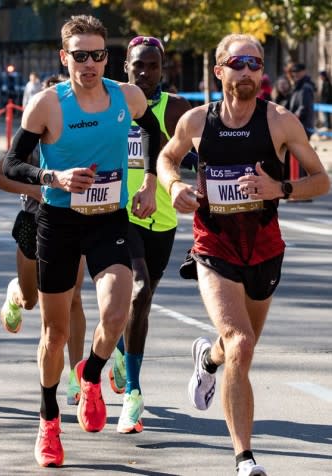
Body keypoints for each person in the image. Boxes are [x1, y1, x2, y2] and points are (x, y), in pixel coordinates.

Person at [157, 33, 330, 475]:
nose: (249, 72)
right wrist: (174, 186)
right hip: (214, 243)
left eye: (256, 64)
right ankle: (244, 457)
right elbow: (167, 159)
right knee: (241, 341)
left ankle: (207, 359)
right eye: (239, 64)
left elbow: (321, 179)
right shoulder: (197, 122)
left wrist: (281, 188)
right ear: (220, 71)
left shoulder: (280, 122)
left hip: (265, 246)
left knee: (238, 349)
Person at [3, 15, 161, 467]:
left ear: (106, 58)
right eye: (79, 56)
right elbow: (12, 164)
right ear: (64, 58)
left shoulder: (126, 96)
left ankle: (90, 375)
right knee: (53, 334)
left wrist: (149, 181)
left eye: (96, 55)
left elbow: (152, 131)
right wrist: (52, 175)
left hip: (109, 218)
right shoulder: (47, 105)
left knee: (117, 310)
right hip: (59, 220)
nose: (89, 64)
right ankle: (49, 418)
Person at [108, 35, 191, 435]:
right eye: (138, 65)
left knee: (142, 301)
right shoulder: (111, 103)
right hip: (120, 214)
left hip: (164, 218)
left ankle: (123, 352)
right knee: (137, 289)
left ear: (163, 69)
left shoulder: (176, 109)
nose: (145, 72)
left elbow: (201, 154)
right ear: (125, 65)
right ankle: (134, 395)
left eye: (153, 66)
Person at [0, 74, 86, 407]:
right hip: (33, 221)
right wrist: (35, 189)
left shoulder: (85, 134)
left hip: (74, 222)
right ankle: (15, 294)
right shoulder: (32, 136)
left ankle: (78, 379)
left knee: (74, 298)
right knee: (33, 301)